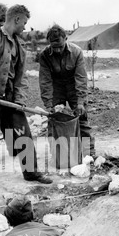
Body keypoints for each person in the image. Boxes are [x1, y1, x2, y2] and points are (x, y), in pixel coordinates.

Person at [0, 5, 53, 192]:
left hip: (10, 100)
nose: (25, 27)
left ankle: (31, 172)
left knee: (24, 135)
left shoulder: (19, 46)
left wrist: (20, 99)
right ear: (16, 19)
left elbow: (21, 77)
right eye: (24, 22)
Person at [39, 24, 95, 158]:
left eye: (60, 46)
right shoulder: (45, 55)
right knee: (54, 120)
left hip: (73, 87)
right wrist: (48, 105)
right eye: (54, 47)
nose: (57, 50)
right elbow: (45, 81)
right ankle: (58, 155)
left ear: (66, 38)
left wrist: (81, 102)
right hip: (56, 88)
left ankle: (88, 154)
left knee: (82, 119)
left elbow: (81, 78)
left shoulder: (76, 52)